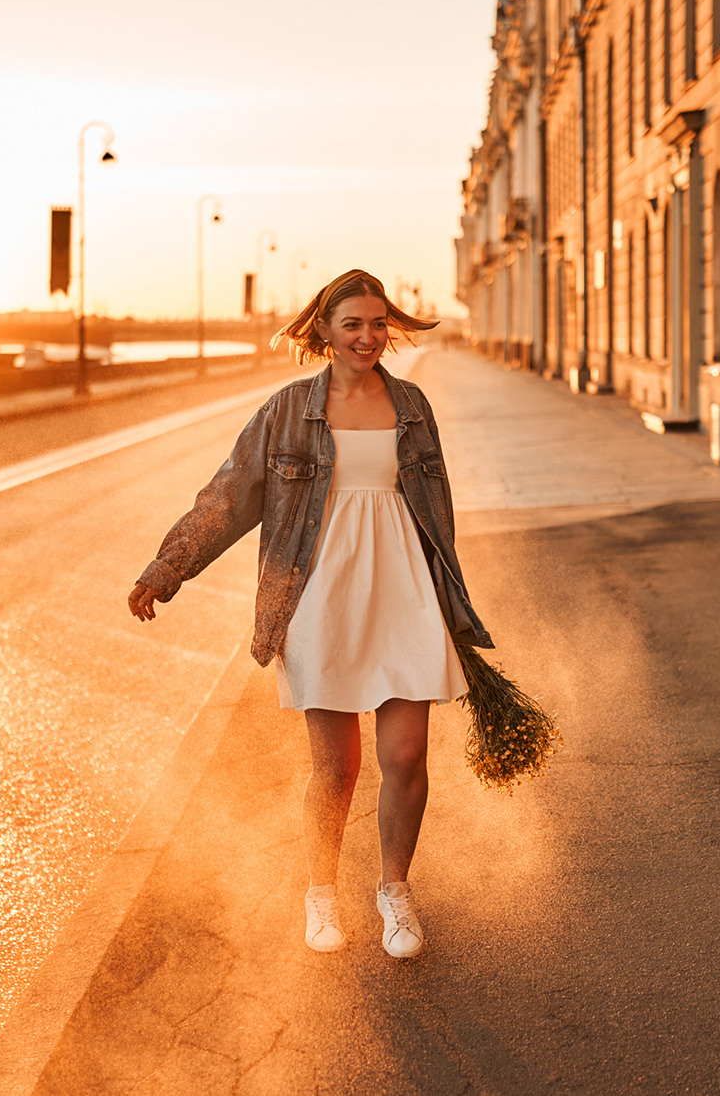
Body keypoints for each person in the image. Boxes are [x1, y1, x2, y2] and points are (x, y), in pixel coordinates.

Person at [128, 269, 496, 960]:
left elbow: (436, 517)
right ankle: (321, 892)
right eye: (352, 323)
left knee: (407, 754)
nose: (367, 336)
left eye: (378, 323)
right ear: (324, 330)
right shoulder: (288, 410)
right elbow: (229, 497)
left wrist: (450, 605)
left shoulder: (412, 404)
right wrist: (166, 567)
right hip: (321, 591)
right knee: (337, 768)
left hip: (404, 590)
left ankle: (395, 891)